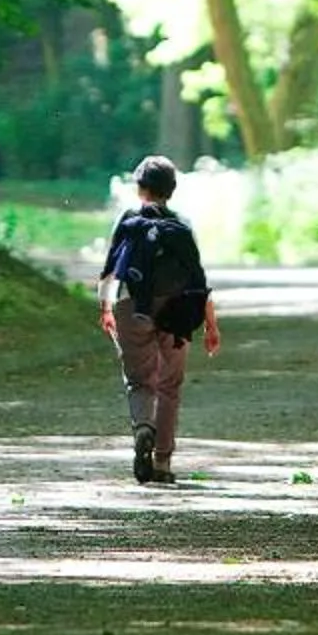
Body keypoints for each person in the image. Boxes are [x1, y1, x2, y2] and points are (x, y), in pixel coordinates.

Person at [97, 154, 220, 486]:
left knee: (140, 382)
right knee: (169, 385)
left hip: (131, 305)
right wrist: (210, 323)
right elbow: (198, 277)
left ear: (140, 188)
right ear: (172, 190)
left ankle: (143, 428)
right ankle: (163, 462)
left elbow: (108, 272)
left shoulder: (127, 219)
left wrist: (105, 308)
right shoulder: (182, 225)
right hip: (175, 311)